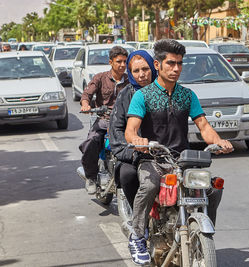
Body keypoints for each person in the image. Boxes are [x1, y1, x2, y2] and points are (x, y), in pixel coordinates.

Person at [124, 39, 233, 265]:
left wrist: (219, 141)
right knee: (150, 184)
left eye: (180, 64)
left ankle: (202, 231)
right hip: (152, 157)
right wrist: (138, 140)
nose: (176, 69)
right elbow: (131, 129)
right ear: (157, 64)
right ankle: (137, 235)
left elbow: (204, 126)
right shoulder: (142, 96)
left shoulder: (188, 95)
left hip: (182, 159)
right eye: (171, 63)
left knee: (213, 188)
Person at [109, 50, 157, 211]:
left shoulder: (166, 91)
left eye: (145, 69)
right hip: (134, 154)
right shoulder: (125, 95)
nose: (142, 75)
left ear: (154, 67)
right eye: (136, 71)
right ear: (130, 73)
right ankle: (140, 219)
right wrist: (133, 150)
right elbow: (116, 128)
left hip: (164, 152)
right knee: (127, 175)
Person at [79, 46, 129, 194]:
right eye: (118, 61)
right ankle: (91, 177)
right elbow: (86, 95)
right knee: (91, 142)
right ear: (111, 62)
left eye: (125, 62)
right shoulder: (100, 78)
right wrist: (86, 105)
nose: (122, 65)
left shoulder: (129, 80)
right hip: (104, 120)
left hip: (125, 122)